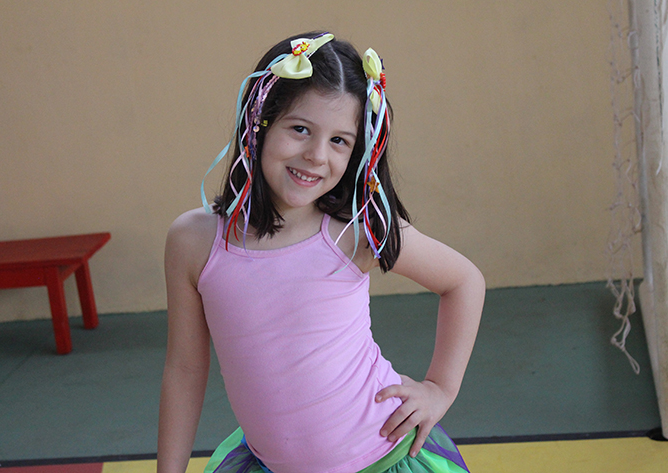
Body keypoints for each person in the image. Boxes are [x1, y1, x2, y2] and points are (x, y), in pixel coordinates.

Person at [157, 32, 485, 473]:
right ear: (259, 121)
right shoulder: (193, 242)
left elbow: (464, 281)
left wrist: (439, 388)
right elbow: (184, 370)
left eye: (339, 141)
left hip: (383, 457)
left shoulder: (355, 230)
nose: (316, 155)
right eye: (300, 129)